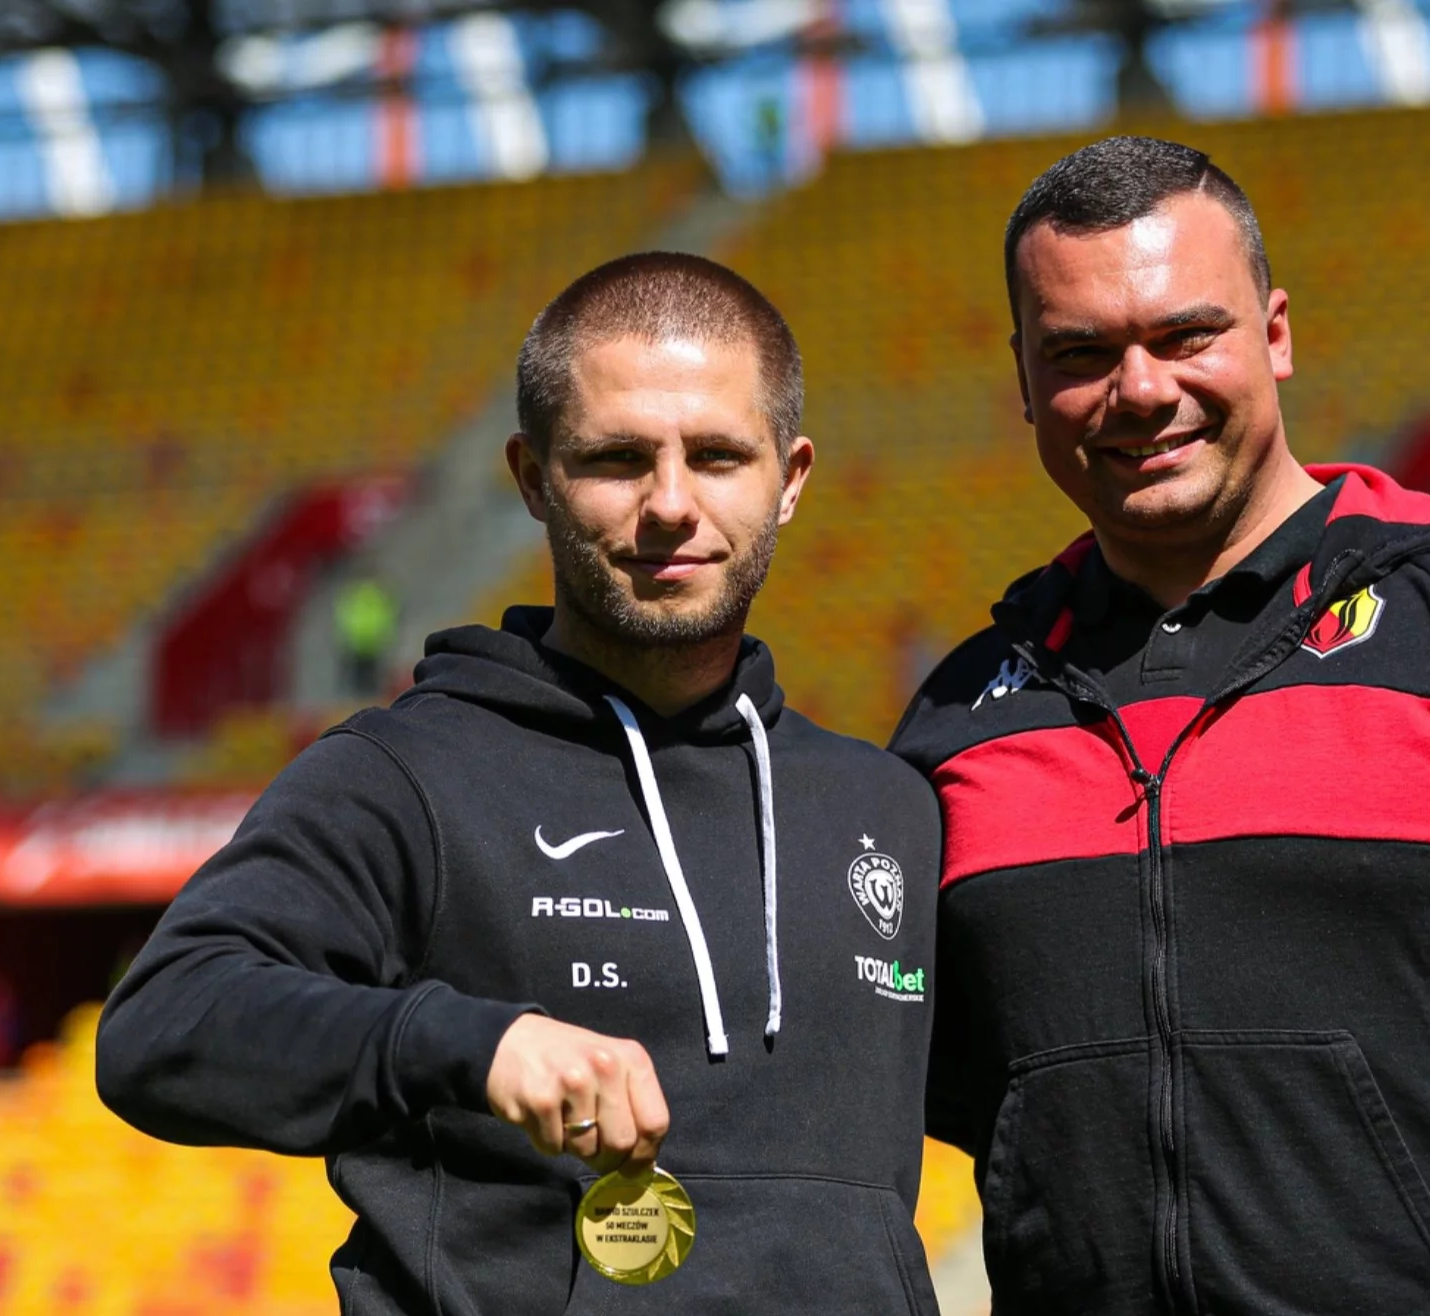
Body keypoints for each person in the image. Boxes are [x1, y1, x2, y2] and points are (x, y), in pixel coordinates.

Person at [888, 137, 1430, 1315]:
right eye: (1081, 353)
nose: (1140, 389)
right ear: (1024, 379)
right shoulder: (960, 717)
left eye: (1186, 336)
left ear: (1274, 333)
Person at [99, 252, 943, 1316]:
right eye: (617, 458)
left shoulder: (887, 806)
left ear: (792, 476)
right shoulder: (405, 773)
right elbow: (162, 1024)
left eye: (718, 455)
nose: (671, 504)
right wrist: (468, 1039)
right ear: (534, 477)